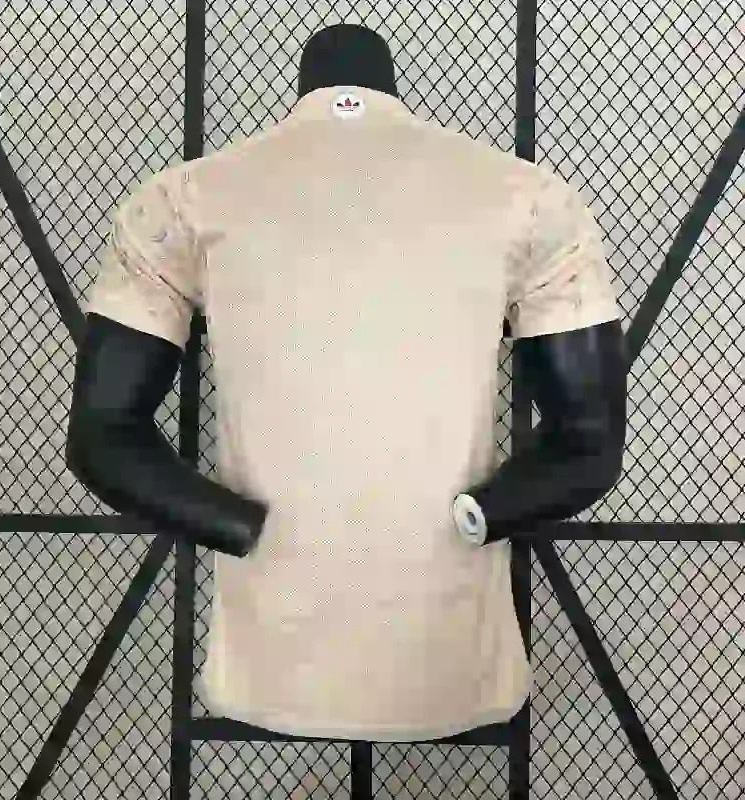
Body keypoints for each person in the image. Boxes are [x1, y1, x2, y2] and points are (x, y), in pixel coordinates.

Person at [67, 23, 627, 742]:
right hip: (454, 647)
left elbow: (103, 435)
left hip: (275, 652)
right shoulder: (529, 199)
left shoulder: (183, 202)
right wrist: (481, 516)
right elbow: (588, 442)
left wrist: (235, 526)